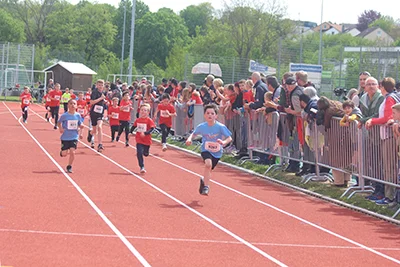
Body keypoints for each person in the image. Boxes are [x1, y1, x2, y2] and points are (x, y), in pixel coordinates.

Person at [186, 103, 233, 195]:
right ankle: (206, 187)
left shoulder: (220, 127)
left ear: (216, 115)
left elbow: (229, 138)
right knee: (208, 164)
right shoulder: (202, 126)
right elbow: (194, 133)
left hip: (217, 152)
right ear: (204, 115)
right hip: (206, 149)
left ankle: (204, 180)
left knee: (209, 169)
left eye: (212, 113)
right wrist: (189, 139)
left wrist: (223, 142)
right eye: (207, 113)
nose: (209, 115)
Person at [57, 99, 84, 173]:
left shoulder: (78, 115)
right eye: (71, 103)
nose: (72, 105)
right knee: (64, 154)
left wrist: (81, 127)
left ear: (76, 106)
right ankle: (62, 152)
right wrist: (60, 128)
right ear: (68, 105)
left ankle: (69, 166)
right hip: (65, 137)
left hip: (74, 136)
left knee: (72, 151)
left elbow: (80, 123)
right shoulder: (64, 115)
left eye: (74, 104)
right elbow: (59, 123)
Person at [131, 103, 156, 173]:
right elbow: (133, 126)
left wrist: (145, 133)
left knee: (145, 153)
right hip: (139, 139)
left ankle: (146, 152)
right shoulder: (138, 120)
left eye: (145, 110)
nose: (143, 112)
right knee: (139, 152)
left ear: (148, 112)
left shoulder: (149, 120)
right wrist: (130, 132)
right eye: (141, 110)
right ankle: (142, 167)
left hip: (147, 140)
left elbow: (152, 129)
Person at [89, 79, 107, 152]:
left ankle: (100, 144)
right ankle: (90, 133)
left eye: (101, 85)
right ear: (97, 85)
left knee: (99, 127)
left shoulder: (104, 92)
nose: (100, 86)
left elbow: (102, 102)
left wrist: (105, 102)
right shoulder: (94, 92)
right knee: (94, 130)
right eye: (99, 85)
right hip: (93, 113)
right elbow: (91, 102)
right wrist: (101, 98)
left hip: (100, 113)